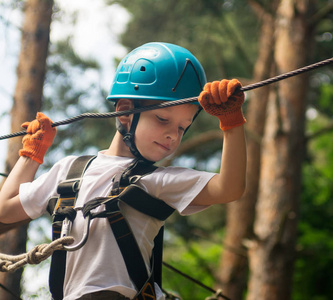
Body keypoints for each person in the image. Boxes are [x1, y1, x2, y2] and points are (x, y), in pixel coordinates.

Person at [0, 42, 246, 300]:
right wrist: (32, 154)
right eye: (163, 119)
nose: (173, 135)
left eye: (182, 128)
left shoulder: (158, 181)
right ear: (125, 111)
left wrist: (231, 123)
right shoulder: (69, 171)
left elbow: (228, 189)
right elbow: (5, 209)